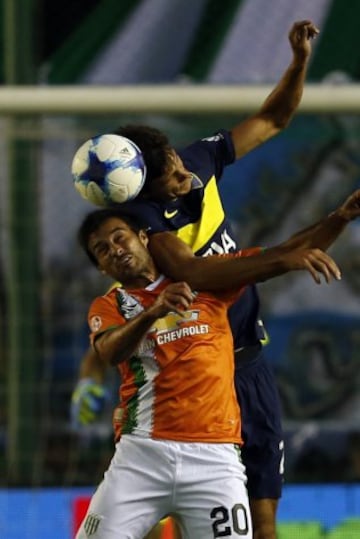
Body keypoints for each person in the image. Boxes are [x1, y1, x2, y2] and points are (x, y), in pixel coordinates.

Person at [71, 20, 320, 539]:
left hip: (246, 359)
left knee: (265, 523)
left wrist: (297, 62)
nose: (185, 175)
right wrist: (283, 258)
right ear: (144, 193)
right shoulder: (145, 221)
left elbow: (274, 119)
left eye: (180, 162)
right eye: (173, 178)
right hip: (191, 375)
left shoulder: (199, 158)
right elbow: (195, 272)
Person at [75, 202, 350, 539]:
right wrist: (152, 312)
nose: (115, 250)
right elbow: (108, 350)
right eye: (102, 250)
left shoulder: (205, 280)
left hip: (215, 460)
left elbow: (281, 253)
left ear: (143, 237)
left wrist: (342, 217)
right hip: (142, 456)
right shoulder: (109, 305)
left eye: (120, 238)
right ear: (101, 268)